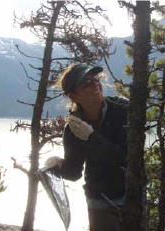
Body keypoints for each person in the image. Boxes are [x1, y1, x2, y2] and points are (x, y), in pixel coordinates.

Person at [45, 63, 128, 231]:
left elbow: (126, 157)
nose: (95, 84)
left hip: (131, 195)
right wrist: (58, 165)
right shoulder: (73, 129)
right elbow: (74, 172)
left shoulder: (123, 110)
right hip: (99, 200)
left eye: (95, 79)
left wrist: (91, 137)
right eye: (86, 83)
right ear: (74, 96)